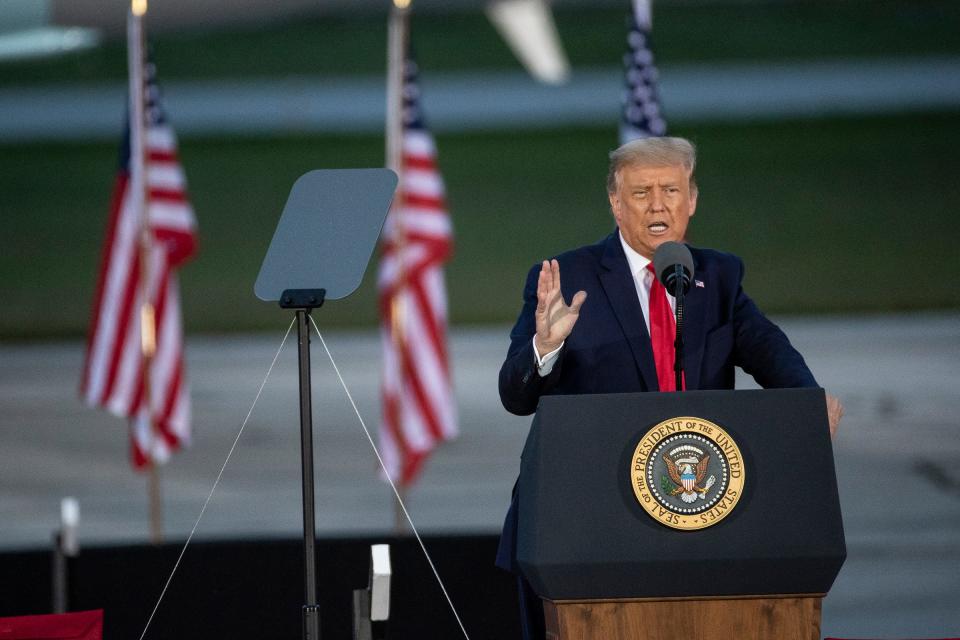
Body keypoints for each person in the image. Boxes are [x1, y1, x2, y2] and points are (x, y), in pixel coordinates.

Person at [495, 136, 843, 639]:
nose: (658, 205)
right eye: (641, 193)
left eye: (671, 190)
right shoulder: (565, 278)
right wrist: (544, 347)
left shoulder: (717, 276)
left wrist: (809, 402)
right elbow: (515, 396)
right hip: (584, 527)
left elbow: (769, 350)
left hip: (700, 523)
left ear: (693, 199)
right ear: (615, 203)